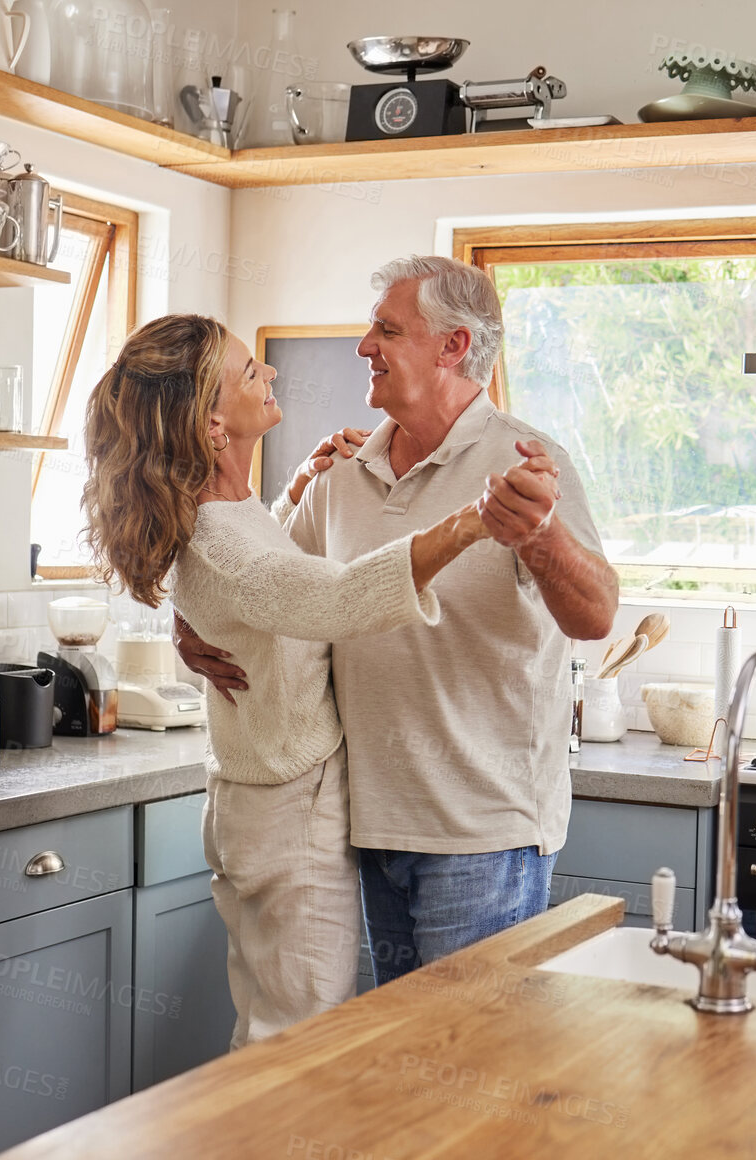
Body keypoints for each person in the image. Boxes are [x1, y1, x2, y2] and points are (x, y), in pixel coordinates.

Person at [81, 313, 552, 1046]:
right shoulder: (224, 541)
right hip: (287, 812)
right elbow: (328, 598)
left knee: (282, 1024)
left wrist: (297, 488)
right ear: (211, 427)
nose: (268, 374)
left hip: (265, 799)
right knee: (296, 1039)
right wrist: (469, 523)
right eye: (247, 373)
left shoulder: (231, 511)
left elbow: (259, 574)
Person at [177, 256, 619, 985]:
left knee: (469, 1069)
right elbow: (273, 597)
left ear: (450, 346)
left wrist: (540, 536)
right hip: (366, 823)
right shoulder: (342, 473)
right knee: (404, 1077)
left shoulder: (525, 462)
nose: (363, 347)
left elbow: (595, 615)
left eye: (385, 329)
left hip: (483, 834)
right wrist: (191, 626)